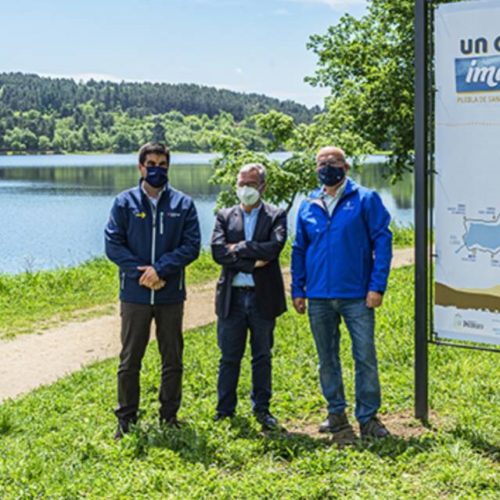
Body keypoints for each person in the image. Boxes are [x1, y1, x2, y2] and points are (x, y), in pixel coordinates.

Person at [291, 146, 392, 438]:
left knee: (365, 356)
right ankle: (336, 413)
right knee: (327, 357)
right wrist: (298, 288)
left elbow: (382, 242)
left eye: (333, 161)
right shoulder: (309, 203)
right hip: (319, 296)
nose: (327, 166)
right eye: (322, 162)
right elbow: (299, 249)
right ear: (316, 169)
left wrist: (377, 286)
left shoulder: (365, 199)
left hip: (357, 295)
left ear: (346, 166)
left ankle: (368, 418)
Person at [105, 142, 201, 439]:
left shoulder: (183, 204)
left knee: (172, 357)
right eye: (151, 164)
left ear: (168, 167)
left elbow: (191, 246)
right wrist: (144, 273)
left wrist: (162, 269)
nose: (156, 169)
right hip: (135, 295)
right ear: (140, 167)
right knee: (130, 357)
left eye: (162, 164)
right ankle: (126, 418)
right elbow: (113, 245)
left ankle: (169, 416)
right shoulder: (124, 203)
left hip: (170, 294)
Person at [211, 163, 287, 430]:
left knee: (262, 356)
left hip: (262, 297)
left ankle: (262, 409)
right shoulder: (224, 215)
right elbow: (218, 252)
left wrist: (241, 247)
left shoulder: (276, 215)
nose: (245, 189)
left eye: (251, 184)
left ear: (263, 187)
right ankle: (224, 410)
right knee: (229, 356)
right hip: (232, 297)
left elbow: (274, 247)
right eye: (241, 183)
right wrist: (251, 262)